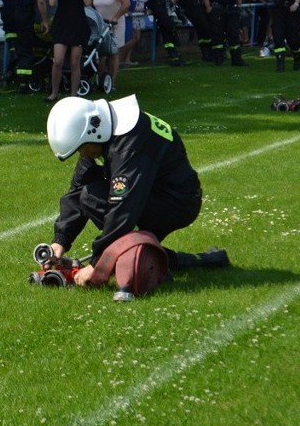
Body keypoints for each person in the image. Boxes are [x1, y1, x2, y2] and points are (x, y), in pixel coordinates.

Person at [44, 95, 230, 288]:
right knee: (90, 194)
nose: (82, 154)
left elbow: (123, 208)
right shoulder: (107, 129)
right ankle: (202, 260)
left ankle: (154, 265)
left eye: (82, 148)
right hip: (159, 193)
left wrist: (97, 264)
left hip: (178, 202)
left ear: (95, 131)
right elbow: (79, 186)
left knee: (93, 197)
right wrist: (60, 241)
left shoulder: (129, 144)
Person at [46, 0, 91, 102]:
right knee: (57, 61)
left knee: (74, 62)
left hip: (77, 23)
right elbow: (52, 2)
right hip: (61, 23)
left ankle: (74, 94)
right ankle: (54, 92)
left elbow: (88, 2)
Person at [89, 0, 130, 90]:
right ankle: (103, 79)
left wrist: (116, 16)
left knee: (113, 53)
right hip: (102, 24)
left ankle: (112, 81)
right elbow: (89, 3)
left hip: (116, 22)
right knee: (100, 54)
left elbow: (126, 3)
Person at [145, 0, 182, 66]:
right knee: (169, 24)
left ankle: (173, 53)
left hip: (164, 5)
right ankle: (176, 42)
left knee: (166, 30)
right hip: (154, 5)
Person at [119, 0, 148, 67]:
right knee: (131, 36)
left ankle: (127, 58)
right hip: (131, 3)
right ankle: (120, 57)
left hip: (140, 4)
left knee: (136, 37)